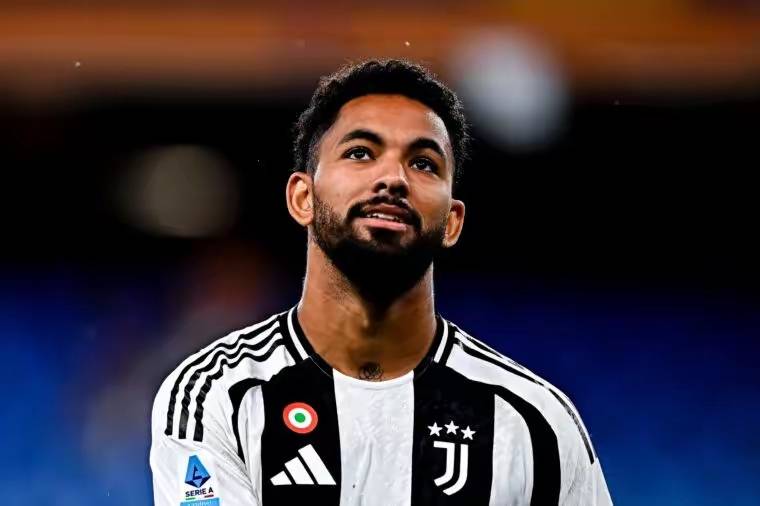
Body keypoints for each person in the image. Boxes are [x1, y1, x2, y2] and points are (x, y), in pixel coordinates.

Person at [150, 59, 613, 506]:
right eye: (360, 153)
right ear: (303, 198)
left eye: (424, 163)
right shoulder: (217, 397)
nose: (393, 178)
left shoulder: (534, 423)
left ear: (452, 222)